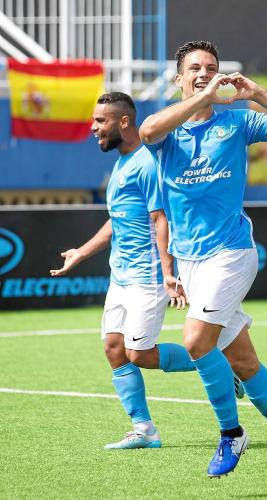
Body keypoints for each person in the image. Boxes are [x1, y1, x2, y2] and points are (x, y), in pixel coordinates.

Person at [139, 40, 267, 489]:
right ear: (179, 79)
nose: (204, 73)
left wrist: (258, 93)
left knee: (196, 340)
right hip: (192, 262)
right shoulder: (168, 131)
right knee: (242, 361)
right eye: (194, 68)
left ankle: (231, 433)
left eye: (211, 67)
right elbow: (146, 131)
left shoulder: (237, 122)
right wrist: (200, 98)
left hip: (232, 253)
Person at [49, 92, 242, 450]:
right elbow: (118, 219)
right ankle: (144, 430)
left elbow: (160, 218)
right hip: (120, 276)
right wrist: (81, 253)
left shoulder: (147, 162)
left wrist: (168, 272)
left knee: (139, 353)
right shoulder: (122, 163)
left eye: (100, 121)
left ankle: (222, 365)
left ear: (124, 121)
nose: (93, 128)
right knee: (113, 348)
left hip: (147, 276)